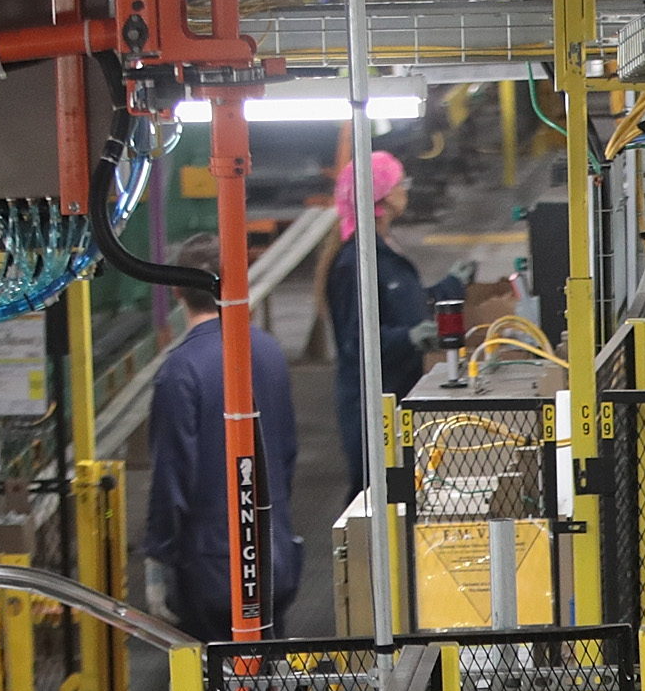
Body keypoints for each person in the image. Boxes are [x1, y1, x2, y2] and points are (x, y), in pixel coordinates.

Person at [144, 231, 303, 639]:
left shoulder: (180, 371)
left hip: (213, 570)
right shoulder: (268, 352)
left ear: (177, 290)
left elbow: (171, 477)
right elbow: (284, 455)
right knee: (268, 684)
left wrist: (158, 559)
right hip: (274, 561)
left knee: (214, 690)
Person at [324, 149, 434, 494]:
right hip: (371, 410)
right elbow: (356, 343)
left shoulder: (383, 247)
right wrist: (411, 338)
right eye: (401, 183)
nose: (407, 189)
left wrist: (450, 289)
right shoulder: (354, 263)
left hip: (398, 394)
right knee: (372, 498)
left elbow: (401, 304)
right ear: (382, 195)